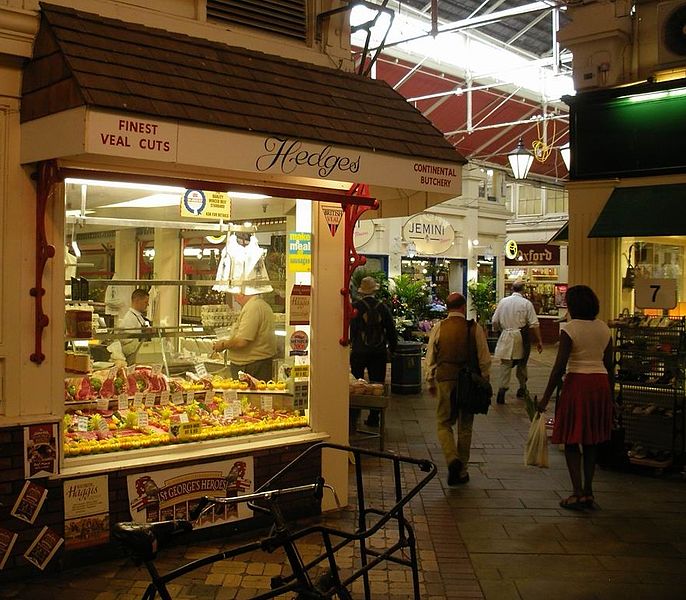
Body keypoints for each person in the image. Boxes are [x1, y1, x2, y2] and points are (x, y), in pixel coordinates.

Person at [537, 285, 613, 510]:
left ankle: (577, 492)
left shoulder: (570, 329)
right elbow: (609, 365)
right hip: (600, 384)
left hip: (578, 382)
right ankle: (589, 491)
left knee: (572, 438)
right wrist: (611, 397)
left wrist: (545, 398)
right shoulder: (604, 328)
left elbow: (559, 366)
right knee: (591, 440)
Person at [426, 292, 491, 485]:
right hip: (469, 382)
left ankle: (451, 457)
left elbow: (431, 357)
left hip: (445, 379)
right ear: (463, 307)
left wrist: (430, 380)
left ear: (447, 308)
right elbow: (484, 359)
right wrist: (485, 381)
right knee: (465, 426)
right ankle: (462, 469)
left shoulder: (439, 327)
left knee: (443, 423)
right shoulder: (474, 328)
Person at [349, 276, 398, 428]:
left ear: (362, 292)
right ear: (374, 291)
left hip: (359, 352)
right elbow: (391, 330)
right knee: (377, 384)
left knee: (356, 384)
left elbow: (352, 329)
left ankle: (353, 417)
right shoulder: (383, 307)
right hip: (378, 352)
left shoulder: (356, 307)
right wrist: (392, 349)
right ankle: (374, 417)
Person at [491, 280, 543, 404]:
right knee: (522, 364)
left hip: (506, 335)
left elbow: (494, 320)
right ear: (523, 290)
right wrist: (539, 340)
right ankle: (522, 387)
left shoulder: (503, 302)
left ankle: (502, 390)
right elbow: (534, 324)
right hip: (521, 335)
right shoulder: (526, 303)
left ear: (512, 289)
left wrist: (498, 331)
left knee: (505, 364)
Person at [213, 291, 277, 382]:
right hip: (255, 364)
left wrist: (223, 344)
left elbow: (242, 341)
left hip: (251, 367)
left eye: (234, 296)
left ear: (241, 294)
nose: (235, 300)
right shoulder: (260, 305)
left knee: (249, 396)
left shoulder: (253, 307)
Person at [114, 288, 151, 365]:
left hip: (140, 354)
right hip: (133, 357)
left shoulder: (138, 316)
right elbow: (125, 341)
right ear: (137, 301)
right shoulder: (129, 318)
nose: (147, 304)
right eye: (145, 302)